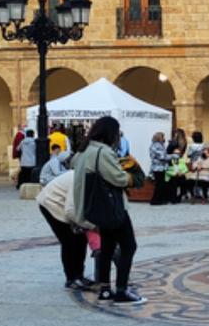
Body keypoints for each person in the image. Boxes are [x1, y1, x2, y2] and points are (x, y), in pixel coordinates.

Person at [71, 116, 143, 305]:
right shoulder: (102, 152)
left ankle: (104, 289)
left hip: (96, 207)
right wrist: (134, 175)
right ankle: (121, 290)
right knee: (129, 246)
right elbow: (117, 178)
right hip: (111, 207)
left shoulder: (84, 150)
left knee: (108, 247)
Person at [36, 169, 93, 290]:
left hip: (64, 204)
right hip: (51, 204)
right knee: (69, 241)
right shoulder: (79, 180)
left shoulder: (88, 178)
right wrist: (90, 225)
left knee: (81, 240)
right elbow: (70, 211)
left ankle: (79, 276)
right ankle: (71, 278)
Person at [148, 132, 170, 206]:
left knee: (160, 184)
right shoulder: (157, 146)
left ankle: (160, 199)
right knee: (159, 185)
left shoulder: (156, 145)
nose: (164, 138)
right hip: (158, 168)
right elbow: (162, 157)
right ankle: (155, 200)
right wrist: (173, 156)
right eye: (163, 137)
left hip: (158, 167)